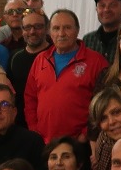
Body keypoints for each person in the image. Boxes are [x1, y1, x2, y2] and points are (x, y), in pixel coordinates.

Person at [21, 9, 109, 142]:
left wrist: (85, 134)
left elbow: (104, 103)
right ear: (49, 32)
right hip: (43, 142)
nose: (61, 33)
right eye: (56, 28)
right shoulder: (41, 59)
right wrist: (34, 130)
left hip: (79, 143)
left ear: (77, 30)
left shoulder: (96, 61)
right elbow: (30, 98)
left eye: (67, 28)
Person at [5, 8, 50, 96]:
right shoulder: (15, 57)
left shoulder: (56, 55)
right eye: (27, 27)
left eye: (38, 26)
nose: (32, 31)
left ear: (46, 28)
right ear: (22, 30)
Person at [82, 0, 121, 65]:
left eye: (113, 5)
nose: (106, 9)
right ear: (96, 10)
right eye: (102, 6)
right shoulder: (88, 40)